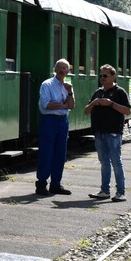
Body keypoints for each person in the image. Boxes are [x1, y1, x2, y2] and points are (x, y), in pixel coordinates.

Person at [85, 64, 131, 202]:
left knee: (116, 162)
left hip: (113, 132)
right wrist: (94, 103)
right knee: (104, 162)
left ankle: (121, 192)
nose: (102, 78)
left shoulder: (119, 92)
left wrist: (111, 104)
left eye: (105, 76)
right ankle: (104, 190)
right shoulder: (98, 92)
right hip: (99, 132)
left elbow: (128, 111)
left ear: (113, 76)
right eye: (100, 76)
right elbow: (86, 111)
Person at [36, 58, 75, 196]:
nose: (62, 70)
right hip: (49, 121)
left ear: (68, 71)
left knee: (60, 153)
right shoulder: (47, 84)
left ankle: (56, 184)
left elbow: (71, 106)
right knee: (46, 152)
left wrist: (69, 93)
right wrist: (63, 105)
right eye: (60, 67)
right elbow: (46, 104)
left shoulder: (68, 86)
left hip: (63, 121)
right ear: (55, 69)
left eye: (65, 68)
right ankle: (41, 184)